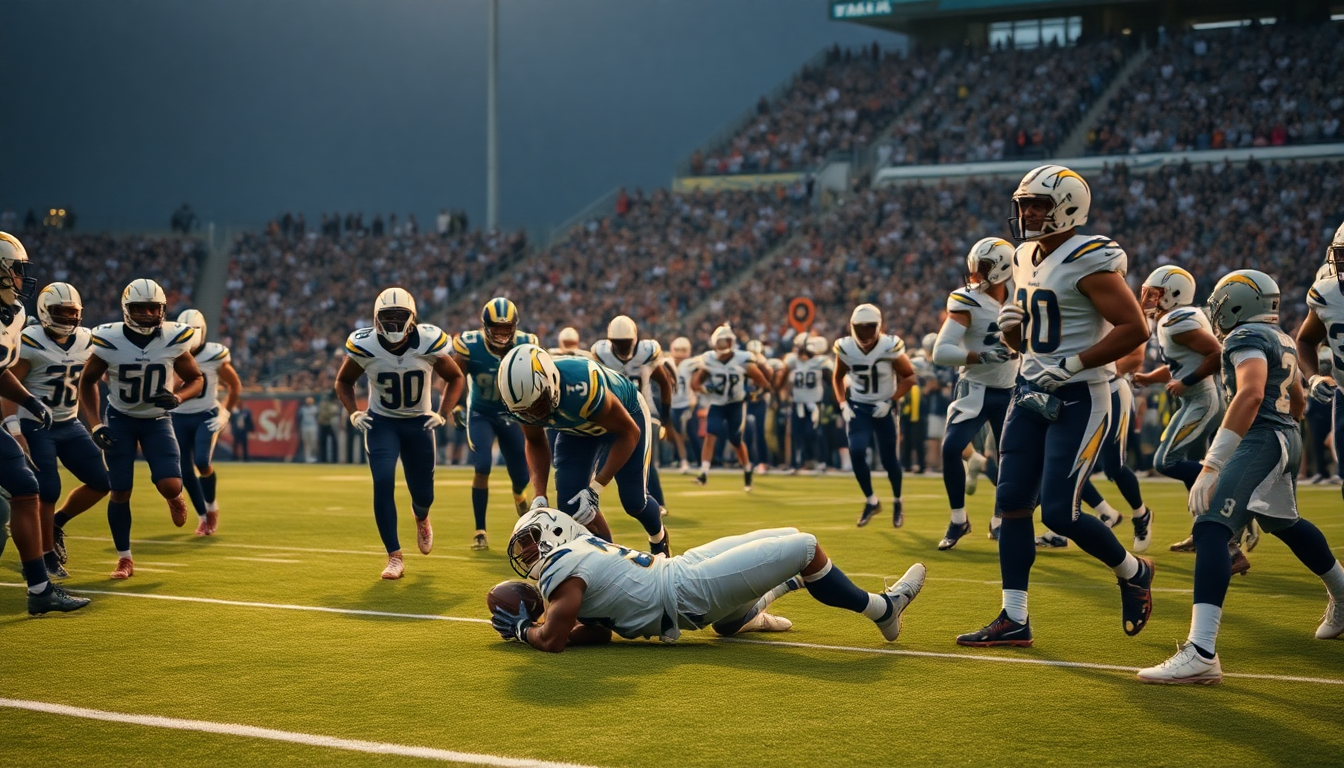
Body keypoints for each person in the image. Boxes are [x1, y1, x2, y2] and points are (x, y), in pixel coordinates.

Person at [956, 165, 1153, 647]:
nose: (1026, 213)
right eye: (1023, 204)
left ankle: (1134, 571)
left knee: (1060, 514)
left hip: (1081, 394)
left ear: (1067, 208)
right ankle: (1015, 617)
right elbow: (1028, 340)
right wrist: (1010, 330)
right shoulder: (1023, 256)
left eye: (1037, 204)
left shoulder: (1090, 258)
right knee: (1011, 504)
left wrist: (1072, 363)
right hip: (1029, 391)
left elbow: (1134, 329)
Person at [1138, 270, 1344, 684]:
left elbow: (1250, 394)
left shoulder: (1243, 337)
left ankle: (1201, 652)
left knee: (1213, 528)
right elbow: (1297, 399)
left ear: (1236, 301)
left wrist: (1213, 464)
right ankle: (1343, 593)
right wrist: (1286, 441)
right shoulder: (1283, 337)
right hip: (1283, 435)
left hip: (1262, 439)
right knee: (1284, 523)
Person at [491, 507, 926, 652]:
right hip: (682, 590)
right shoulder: (572, 560)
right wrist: (536, 631)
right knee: (805, 547)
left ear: (553, 531)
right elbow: (556, 638)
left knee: (790, 539)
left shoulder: (564, 563)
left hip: (681, 581)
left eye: (530, 542)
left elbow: (565, 636)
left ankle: (754, 605)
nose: (528, 554)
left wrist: (525, 629)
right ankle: (883, 609)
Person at [79, 279, 205, 580]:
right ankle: (124, 559)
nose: (148, 314)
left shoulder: (174, 338)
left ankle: (175, 499)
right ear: (126, 310)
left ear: (163, 309)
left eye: (154, 308)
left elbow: (197, 380)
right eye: (140, 308)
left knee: (171, 484)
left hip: (157, 420)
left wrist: (177, 397)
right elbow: (87, 382)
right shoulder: (108, 340)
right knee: (120, 489)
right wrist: (95, 424)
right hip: (121, 418)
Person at [335, 288, 464, 579]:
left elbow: (456, 377)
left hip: (419, 423)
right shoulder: (365, 345)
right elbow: (343, 381)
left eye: (399, 317)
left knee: (423, 494)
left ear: (412, 319)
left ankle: (421, 516)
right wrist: (354, 411)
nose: (393, 323)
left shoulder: (430, 342)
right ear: (376, 319)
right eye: (387, 317)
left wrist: (442, 413)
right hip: (382, 423)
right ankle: (394, 556)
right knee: (382, 481)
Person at [496, 344, 670, 556]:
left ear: (551, 382)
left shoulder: (583, 385)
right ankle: (609, 562)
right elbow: (534, 441)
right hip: (577, 428)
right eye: (526, 411)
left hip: (625, 417)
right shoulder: (524, 400)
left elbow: (629, 433)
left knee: (634, 502)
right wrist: (539, 494)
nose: (534, 415)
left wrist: (595, 489)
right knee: (573, 506)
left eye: (538, 405)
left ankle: (659, 540)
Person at [0, 233, 87, 613]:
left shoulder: (15, 315)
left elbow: (1, 371)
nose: (21, 279)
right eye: (16, 270)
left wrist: (30, 400)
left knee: (25, 487)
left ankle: (39, 591)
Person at [1133, 267, 1241, 562]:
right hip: (1198, 399)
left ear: (1175, 294)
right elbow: (1178, 365)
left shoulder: (1177, 321)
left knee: (1165, 461)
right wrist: (1148, 378)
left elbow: (1217, 353)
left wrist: (1187, 382)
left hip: (1202, 399)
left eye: (1155, 294)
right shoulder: (1172, 320)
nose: (1149, 299)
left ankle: (1233, 502)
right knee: (1191, 471)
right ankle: (1207, 532)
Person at [1, 283, 109, 576]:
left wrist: (94, 421)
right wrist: (14, 428)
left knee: (102, 482)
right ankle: (45, 555)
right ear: (45, 311)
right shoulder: (30, 340)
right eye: (60, 312)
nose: (67, 318)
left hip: (69, 423)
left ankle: (57, 523)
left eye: (72, 312)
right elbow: (6, 387)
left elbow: (92, 382)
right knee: (47, 489)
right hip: (35, 425)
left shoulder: (87, 340)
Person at [932, 238, 1018, 550]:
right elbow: (940, 351)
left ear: (1003, 268)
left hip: (1012, 388)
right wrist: (978, 356)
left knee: (1012, 458)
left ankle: (1000, 520)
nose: (975, 274)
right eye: (974, 267)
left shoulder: (1024, 295)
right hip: (975, 388)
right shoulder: (967, 300)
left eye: (982, 268)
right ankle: (959, 519)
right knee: (952, 448)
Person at [451, 297, 537, 550]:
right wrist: (456, 405)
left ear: (514, 327)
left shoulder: (526, 344)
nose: (501, 334)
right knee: (482, 466)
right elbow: (456, 376)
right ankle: (480, 531)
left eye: (506, 329)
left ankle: (519, 496)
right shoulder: (470, 345)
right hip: (482, 413)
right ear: (485, 327)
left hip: (512, 414)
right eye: (496, 329)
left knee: (521, 476)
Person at [833, 304, 917, 528]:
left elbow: (909, 377)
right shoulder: (846, 347)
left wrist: (891, 400)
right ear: (852, 328)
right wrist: (843, 403)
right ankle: (872, 501)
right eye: (861, 329)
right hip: (859, 407)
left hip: (884, 408)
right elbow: (837, 377)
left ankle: (898, 501)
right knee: (857, 451)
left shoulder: (890, 346)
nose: (866, 334)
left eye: (870, 328)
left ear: (879, 327)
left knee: (889, 460)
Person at [591, 316, 673, 515]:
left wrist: (666, 418)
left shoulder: (646, 353)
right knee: (598, 457)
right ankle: (589, 499)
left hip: (641, 411)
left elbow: (664, 383)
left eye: (625, 343)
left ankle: (657, 502)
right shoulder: (601, 354)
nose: (622, 347)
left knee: (645, 460)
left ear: (635, 339)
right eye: (618, 343)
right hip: (613, 414)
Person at [171, 309, 241, 535]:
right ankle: (203, 516)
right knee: (183, 470)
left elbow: (235, 385)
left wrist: (225, 413)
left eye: (194, 331)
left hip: (205, 414)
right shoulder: (172, 352)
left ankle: (212, 508)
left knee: (202, 461)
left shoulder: (214, 354)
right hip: (179, 416)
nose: (190, 336)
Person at [691, 324, 775, 491]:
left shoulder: (743, 359)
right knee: (710, 434)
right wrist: (706, 389)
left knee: (735, 441)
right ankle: (704, 473)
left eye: (725, 341)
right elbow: (695, 383)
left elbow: (764, 383)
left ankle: (747, 469)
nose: (722, 345)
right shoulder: (709, 359)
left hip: (736, 404)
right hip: (717, 404)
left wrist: (755, 394)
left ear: (731, 342)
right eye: (719, 342)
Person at [783, 334, 831, 473]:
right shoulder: (793, 362)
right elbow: (787, 382)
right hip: (798, 403)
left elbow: (830, 377)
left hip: (813, 404)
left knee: (813, 432)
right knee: (796, 434)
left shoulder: (819, 362)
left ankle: (819, 461)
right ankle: (795, 463)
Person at [667, 336, 701, 473]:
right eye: (678, 351)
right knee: (676, 435)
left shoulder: (691, 364)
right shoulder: (666, 363)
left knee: (692, 433)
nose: (680, 355)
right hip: (673, 404)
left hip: (688, 403)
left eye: (683, 351)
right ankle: (683, 460)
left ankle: (700, 460)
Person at [299, 396, 319, 463]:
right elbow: (300, 418)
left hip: (313, 427)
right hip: (305, 427)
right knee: (306, 443)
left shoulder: (315, 408)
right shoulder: (303, 409)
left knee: (313, 442)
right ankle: (307, 458)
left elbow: (317, 418)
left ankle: (313, 457)